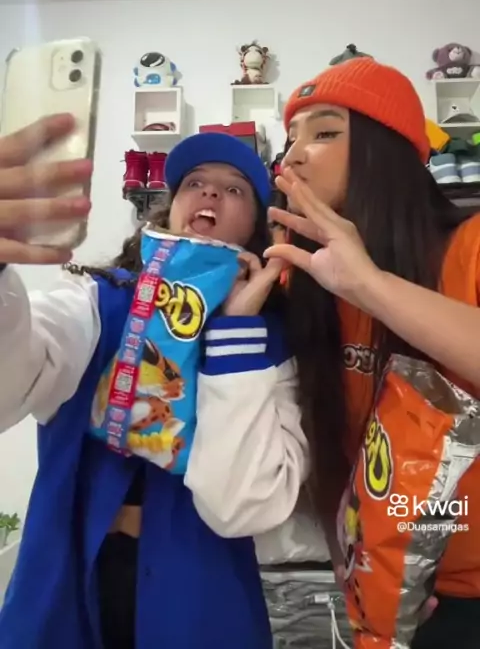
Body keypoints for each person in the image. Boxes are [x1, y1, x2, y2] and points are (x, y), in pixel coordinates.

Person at [0, 117, 307, 649]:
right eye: (194, 182)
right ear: (170, 209)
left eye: (234, 189)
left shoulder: (272, 346)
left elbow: (245, 506)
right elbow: (10, 385)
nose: (209, 192)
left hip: (203, 608)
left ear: (256, 231)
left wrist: (235, 333)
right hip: (66, 593)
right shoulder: (96, 301)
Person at [266, 57, 480, 649]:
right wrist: (352, 556)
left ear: (384, 152)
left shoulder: (468, 246)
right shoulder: (305, 282)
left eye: (324, 132)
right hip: (381, 588)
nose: (294, 156)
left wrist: (371, 287)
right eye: (290, 139)